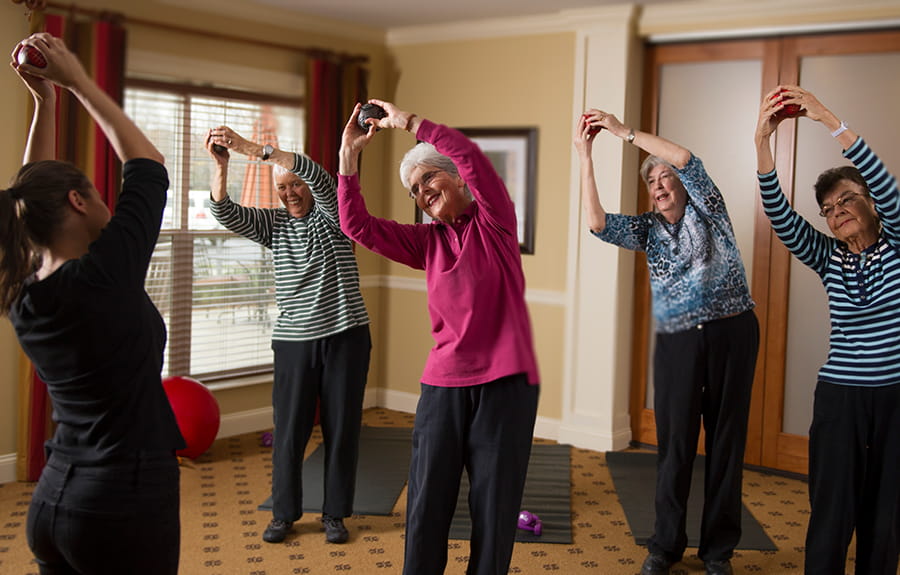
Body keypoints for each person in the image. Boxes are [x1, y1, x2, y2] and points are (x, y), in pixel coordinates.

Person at [2, 34, 184, 574]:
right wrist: (77, 81)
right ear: (79, 202)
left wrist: (46, 102)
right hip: (122, 503)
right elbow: (147, 164)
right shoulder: (106, 273)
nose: (108, 202)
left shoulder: (22, 286)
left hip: (55, 500)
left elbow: (29, 202)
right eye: (97, 196)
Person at [337, 99, 540, 575]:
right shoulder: (426, 243)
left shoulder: (496, 223)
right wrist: (349, 156)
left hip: (505, 387)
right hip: (443, 387)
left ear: (458, 178)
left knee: (493, 510)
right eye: (415, 189)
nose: (422, 192)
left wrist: (407, 122)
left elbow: (469, 153)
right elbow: (357, 225)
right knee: (427, 505)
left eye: (429, 178)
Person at [575, 111, 759, 575]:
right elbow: (596, 223)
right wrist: (586, 156)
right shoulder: (646, 230)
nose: (658, 184)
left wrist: (624, 134)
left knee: (725, 442)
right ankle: (664, 546)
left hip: (731, 332)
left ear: (683, 185)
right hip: (678, 340)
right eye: (651, 180)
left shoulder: (709, 209)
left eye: (665, 176)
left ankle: (718, 551)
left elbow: (686, 157)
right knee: (675, 444)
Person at [754, 86, 900, 575]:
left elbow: (887, 186)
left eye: (847, 201)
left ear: (871, 203)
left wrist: (826, 118)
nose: (838, 213)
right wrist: (762, 143)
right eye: (829, 209)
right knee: (832, 511)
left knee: (887, 514)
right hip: (839, 398)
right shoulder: (829, 255)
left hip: (895, 398)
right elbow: (779, 214)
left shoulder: (897, 242)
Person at [204, 126, 371, 545]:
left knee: (342, 428)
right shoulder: (274, 225)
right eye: (282, 187)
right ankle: (284, 514)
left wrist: (251, 149)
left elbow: (315, 173)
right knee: (290, 430)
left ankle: (335, 514)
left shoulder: (335, 215)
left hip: (345, 336)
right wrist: (221, 167)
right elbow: (224, 212)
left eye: (294, 183)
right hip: (295, 342)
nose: (290, 191)